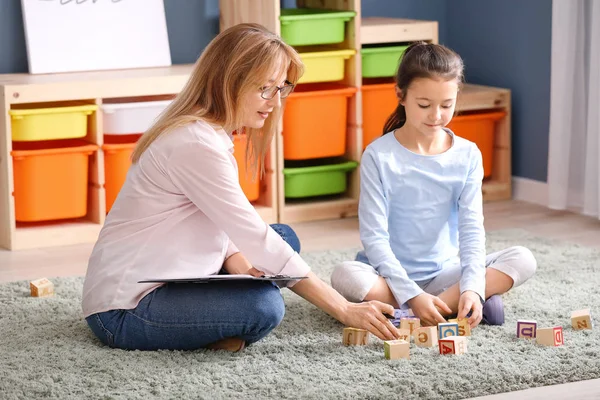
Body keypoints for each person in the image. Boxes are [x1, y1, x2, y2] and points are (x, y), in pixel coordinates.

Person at [81, 23, 401, 352]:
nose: (275, 102)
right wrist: (343, 308)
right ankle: (213, 327)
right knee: (264, 306)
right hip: (124, 309)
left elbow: (226, 220)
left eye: (280, 88)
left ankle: (216, 319)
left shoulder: (205, 131)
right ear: (229, 83)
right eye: (265, 88)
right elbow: (252, 234)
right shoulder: (194, 144)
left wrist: (238, 261)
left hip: (171, 266)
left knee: (283, 238)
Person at [330, 42, 537, 329]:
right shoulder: (379, 156)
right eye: (424, 105)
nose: (436, 115)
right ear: (401, 95)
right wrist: (412, 293)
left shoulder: (467, 154)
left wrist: (473, 286)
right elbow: (374, 238)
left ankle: (446, 304)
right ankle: (447, 306)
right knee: (345, 275)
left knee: (523, 258)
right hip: (389, 277)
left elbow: (472, 230)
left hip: (446, 274)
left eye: (446, 105)